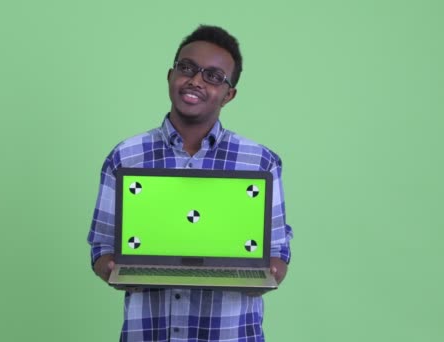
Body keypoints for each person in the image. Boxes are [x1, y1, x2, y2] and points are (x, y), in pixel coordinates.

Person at [87, 25, 293, 342]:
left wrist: (266, 276)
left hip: (230, 335)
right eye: (187, 68)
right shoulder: (125, 157)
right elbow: (101, 248)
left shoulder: (260, 162)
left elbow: (278, 252)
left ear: (229, 94)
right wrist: (115, 269)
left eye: (213, 76)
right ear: (171, 75)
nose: (196, 80)